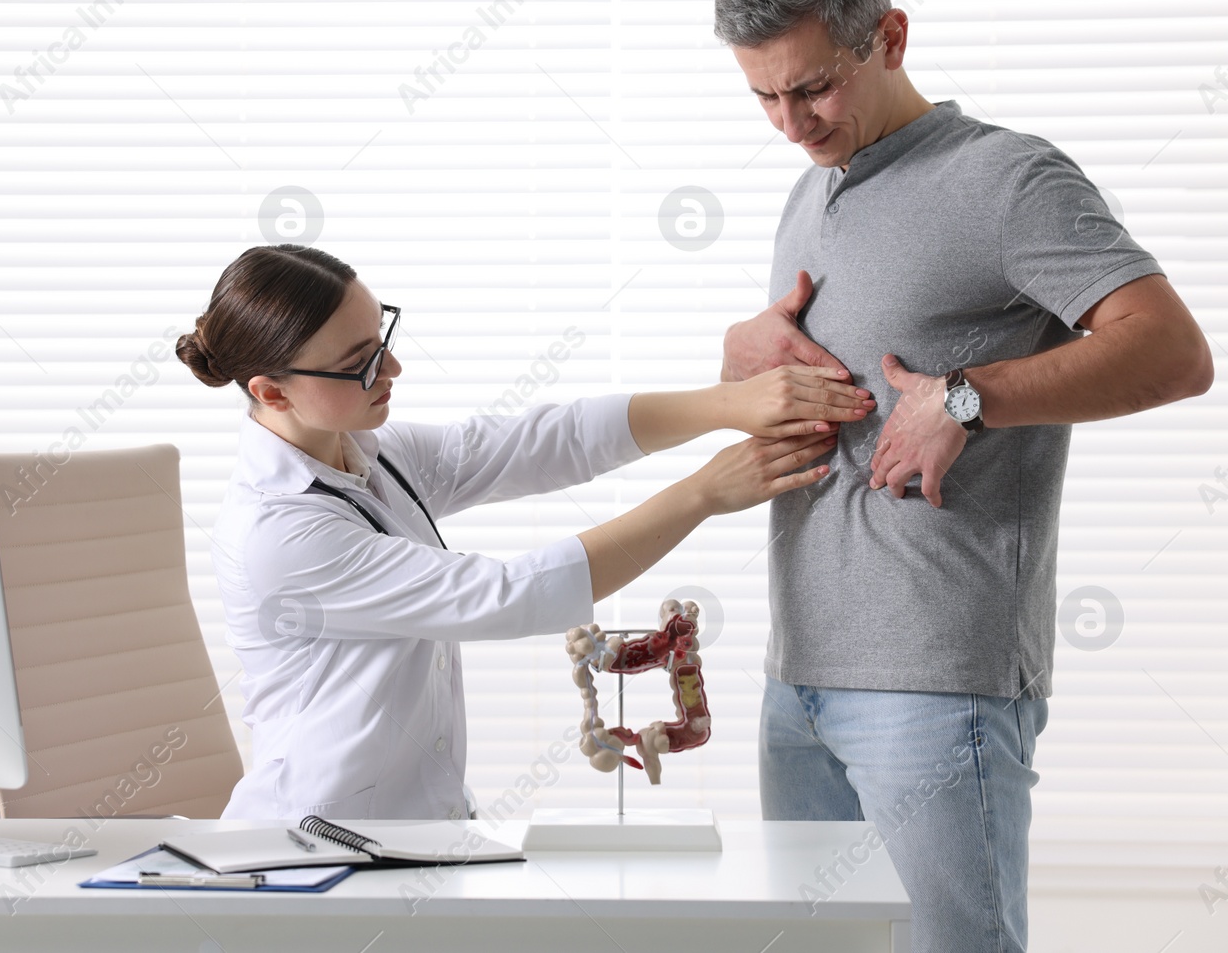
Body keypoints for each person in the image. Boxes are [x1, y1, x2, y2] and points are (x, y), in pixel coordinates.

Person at [712, 0, 1213, 953]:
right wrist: (742, 355)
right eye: (762, 94)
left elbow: (1170, 351)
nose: (789, 122)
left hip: (936, 682)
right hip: (795, 676)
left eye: (811, 86)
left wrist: (968, 397)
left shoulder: (1007, 178)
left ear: (888, 36)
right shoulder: (809, 192)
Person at [176, 243, 875, 821]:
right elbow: (508, 595)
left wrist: (724, 404)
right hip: (322, 851)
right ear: (271, 391)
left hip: (422, 827)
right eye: (358, 362)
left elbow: (541, 442)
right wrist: (702, 493)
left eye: (382, 338)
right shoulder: (280, 533)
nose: (391, 369)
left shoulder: (366, 455)